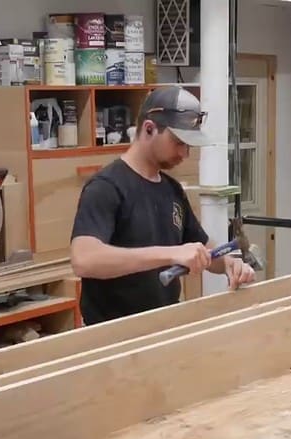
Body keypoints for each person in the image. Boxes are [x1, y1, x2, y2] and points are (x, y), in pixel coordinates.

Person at [70, 85, 257, 325]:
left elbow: (202, 247)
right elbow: (84, 260)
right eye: (179, 142)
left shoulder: (171, 189)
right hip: (114, 334)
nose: (185, 154)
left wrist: (229, 263)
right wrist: (170, 253)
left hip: (164, 324)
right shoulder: (106, 187)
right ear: (149, 129)